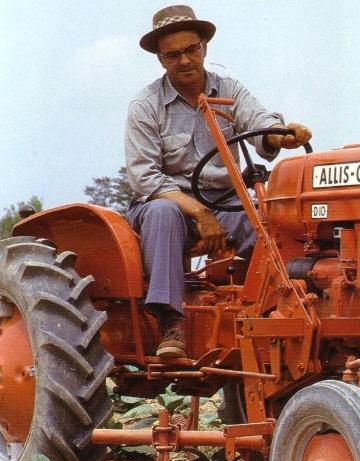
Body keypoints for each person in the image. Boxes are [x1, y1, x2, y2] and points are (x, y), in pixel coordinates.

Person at [125, 5, 312, 359]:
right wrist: (198, 212)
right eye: (173, 54)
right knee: (162, 214)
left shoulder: (228, 90)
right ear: (161, 60)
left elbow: (258, 121)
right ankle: (172, 324)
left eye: (190, 50)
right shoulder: (146, 105)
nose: (184, 61)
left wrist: (280, 135)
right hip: (167, 204)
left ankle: (271, 313)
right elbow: (145, 176)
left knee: (271, 224)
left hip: (225, 202)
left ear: (204, 48)